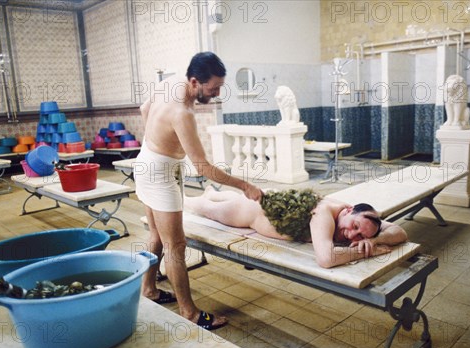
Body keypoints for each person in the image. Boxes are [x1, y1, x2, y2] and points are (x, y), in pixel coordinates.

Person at [133, 52, 263, 330]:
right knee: (175, 245)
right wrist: (245, 185)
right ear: (195, 81)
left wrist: (157, 140)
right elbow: (204, 168)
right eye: (213, 88)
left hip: (146, 161)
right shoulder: (183, 113)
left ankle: (149, 289)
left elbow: (145, 108)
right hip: (159, 173)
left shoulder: (170, 82)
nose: (216, 94)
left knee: (157, 233)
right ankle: (189, 313)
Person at [184, 188, 408, 268]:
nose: (351, 235)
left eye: (360, 235)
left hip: (269, 203)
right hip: (249, 213)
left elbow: (400, 232)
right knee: (204, 208)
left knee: (221, 199)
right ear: (348, 210)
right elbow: (326, 259)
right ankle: (183, 197)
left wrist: (375, 240)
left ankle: (214, 192)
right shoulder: (323, 215)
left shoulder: (365, 220)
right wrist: (366, 252)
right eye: (354, 227)